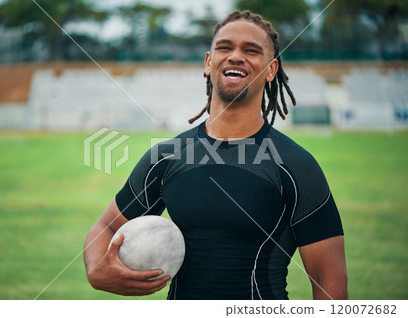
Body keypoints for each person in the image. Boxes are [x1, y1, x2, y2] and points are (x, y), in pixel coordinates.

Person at [83, 10, 348, 300]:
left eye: (251, 50)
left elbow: (329, 279)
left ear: (271, 70)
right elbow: (107, 226)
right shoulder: (168, 157)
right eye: (225, 47)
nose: (235, 56)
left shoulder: (295, 166)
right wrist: (96, 269)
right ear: (209, 63)